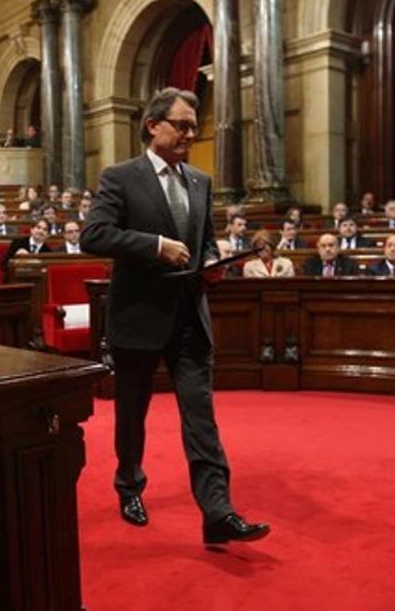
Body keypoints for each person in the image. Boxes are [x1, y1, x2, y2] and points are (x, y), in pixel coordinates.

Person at [80, 87, 269, 545]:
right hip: (139, 317)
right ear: (153, 126)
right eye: (182, 124)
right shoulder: (121, 177)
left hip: (190, 317)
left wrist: (211, 267)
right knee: (132, 414)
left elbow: (203, 241)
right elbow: (94, 235)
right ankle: (129, 486)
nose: (190, 133)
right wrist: (154, 246)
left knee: (201, 415)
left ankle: (217, 511)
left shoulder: (201, 182)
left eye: (193, 125)